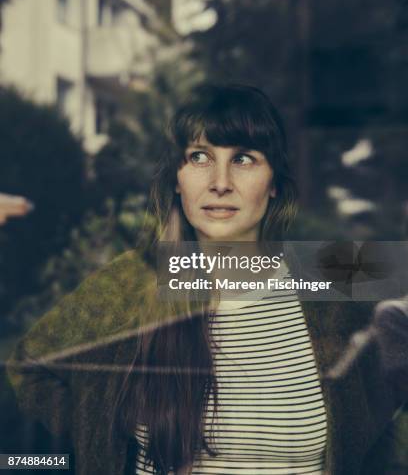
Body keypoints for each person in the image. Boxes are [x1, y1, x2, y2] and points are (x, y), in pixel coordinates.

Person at [6, 84, 408, 475]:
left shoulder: (332, 283)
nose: (219, 181)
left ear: (273, 186)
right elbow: (31, 366)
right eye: (199, 157)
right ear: (178, 183)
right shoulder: (136, 279)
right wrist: (103, 437)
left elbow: (380, 433)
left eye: (244, 159)